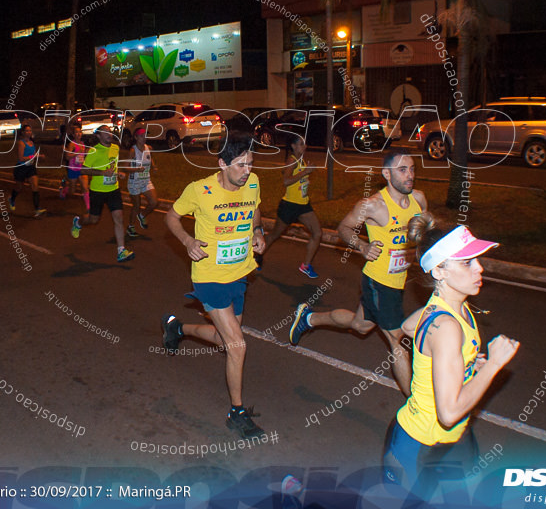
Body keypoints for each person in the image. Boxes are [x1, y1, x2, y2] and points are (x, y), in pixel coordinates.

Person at [383, 214, 518, 497]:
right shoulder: (447, 327)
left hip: (454, 440)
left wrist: (466, 363)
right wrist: (492, 364)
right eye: (467, 262)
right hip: (422, 449)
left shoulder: (452, 307)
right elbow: (448, 413)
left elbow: (408, 326)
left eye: (477, 259)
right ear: (439, 272)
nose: (479, 268)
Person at [289, 150, 427, 396]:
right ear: (386, 174)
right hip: (377, 281)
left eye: (413, 169)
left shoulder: (419, 199)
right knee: (398, 339)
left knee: (360, 325)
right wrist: (362, 246)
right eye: (403, 170)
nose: (410, 175)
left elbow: (425, 226)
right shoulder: (373, 205)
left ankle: (308, 317)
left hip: (398, 281)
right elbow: (344, 227)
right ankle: (415, 405)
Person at [160, 131, 267, 438]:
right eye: (239, 165)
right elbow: (171, 217)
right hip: (209, 277)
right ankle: (236, 412)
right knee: (237, 345)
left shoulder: (254, 181)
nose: (246, 170)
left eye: (250, 163)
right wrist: (187, 240)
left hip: (240, 273)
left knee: (224, 341)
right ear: (222, 163)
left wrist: (258, 231)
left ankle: (177, 329)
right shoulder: (200, 190)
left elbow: (256, 206)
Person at [257, 136, 322, 278]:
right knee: (275, 234)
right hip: (289, 206)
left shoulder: (302, 160)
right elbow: (286, 181)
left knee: (317, 233)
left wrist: (305, 181)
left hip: (304, 205)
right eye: (301, 144)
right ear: (293, 146)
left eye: (305, 144)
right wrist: (305, 172)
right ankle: (257, 256)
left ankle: (306, 266)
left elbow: (298, 181)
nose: (304, 146)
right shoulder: (292, 161)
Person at [70, 125, 133, 262]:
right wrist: (102, 173)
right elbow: (84, 170)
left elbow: (112, 166)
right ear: (98, 136)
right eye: (105, 133)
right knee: (93, 219)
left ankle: (121, 250)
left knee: (119, 218)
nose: (109, 134)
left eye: (110, 132)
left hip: (113, 190)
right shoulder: (94, 151)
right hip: (97, 191)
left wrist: (118, 173)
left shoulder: (115, 148)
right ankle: (79, 222)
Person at [123, 127, 158, 238]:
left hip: (146, 180)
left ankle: (142, 216)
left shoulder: (148, 148)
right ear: (136, 137)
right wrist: (137, 169)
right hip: (134, 182)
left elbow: (149, 158)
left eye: (145, 136)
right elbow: (125, 168)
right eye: (141, 136)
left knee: (154, 202)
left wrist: (154, 166)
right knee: (136, 206)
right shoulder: (133, 151)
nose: (144, 138)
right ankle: (130, 226)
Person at [8, 124, 45, 218]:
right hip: (21, 168)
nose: (29, 132)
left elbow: (33, 154)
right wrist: (33, 156)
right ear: (23, 132)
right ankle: (12, 198)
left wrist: (39, 156)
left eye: (30, 130)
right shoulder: (21, 143)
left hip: (30, 168)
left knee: (35, 186)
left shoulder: (32, 142)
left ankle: (37, 209)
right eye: (27, 131)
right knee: (19, 188)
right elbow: (21, 157)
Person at [62, 124, 90, 211]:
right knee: (72, 191)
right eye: (76, 132)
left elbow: (83, 156)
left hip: (81, 170)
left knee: (85, 188)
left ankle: (89, 208)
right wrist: (78, 152)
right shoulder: (72, 144)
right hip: (73, 169)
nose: (79, 134)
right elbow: (67, 156)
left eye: (80, 132)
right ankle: (64, 188)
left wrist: (86, 153)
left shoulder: (83, 144)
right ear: (74, 135)